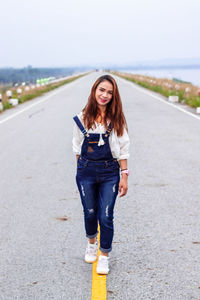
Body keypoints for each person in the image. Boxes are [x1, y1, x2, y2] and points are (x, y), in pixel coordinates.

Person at [72, 74, 130, 275]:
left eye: (109, 92)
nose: (104, 95)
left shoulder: (116, 119)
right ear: (94, 90)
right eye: (101, 90)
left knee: (106, 216)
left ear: (114, 96)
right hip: (86, 172)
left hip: (109, 173)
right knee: (89, 212)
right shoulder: (81, 118)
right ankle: (91, 242)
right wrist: (80, 173)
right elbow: (77, 149)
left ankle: (104, 255)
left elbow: (123, 148)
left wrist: (124, 175)